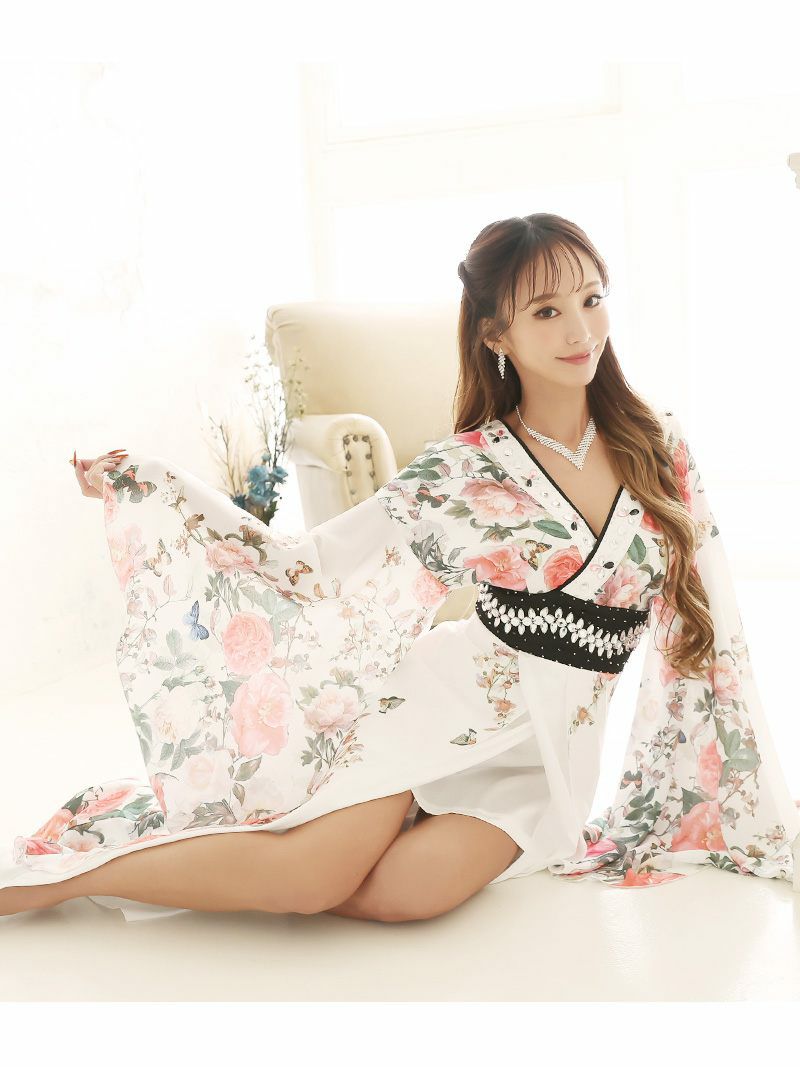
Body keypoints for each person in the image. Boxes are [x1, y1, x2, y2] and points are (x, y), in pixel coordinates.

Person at [2, 212, 798, 925]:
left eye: (592, 299)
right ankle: (44, 882)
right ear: (496, 333)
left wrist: (724, 777)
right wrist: (155, 485)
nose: (579, 329)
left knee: (400, 895)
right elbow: (312, 563)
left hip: (543, 754)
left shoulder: (658, 441)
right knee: (310, 878)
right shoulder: (466, 466)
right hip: (438, 700)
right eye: (547, 310)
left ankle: (303, 835)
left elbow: (710, 612)